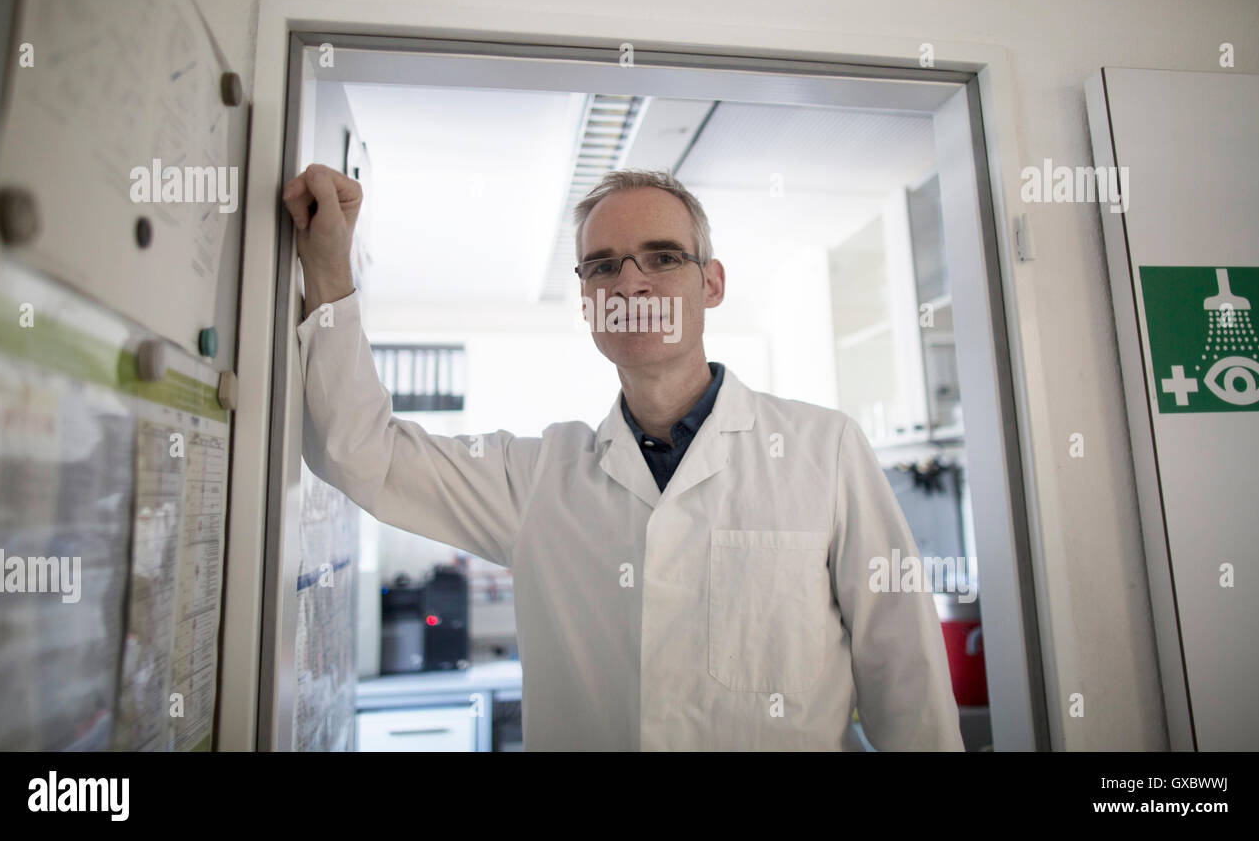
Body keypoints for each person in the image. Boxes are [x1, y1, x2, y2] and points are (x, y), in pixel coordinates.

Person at [283, 163, 964, 751]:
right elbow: (360, 452)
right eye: (604, 266)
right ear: (587, 302)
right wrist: (328, 270)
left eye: (663, 257)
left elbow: (909, 688)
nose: (630, 285)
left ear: (712, 284)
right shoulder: (535, 480)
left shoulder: (826, 450)